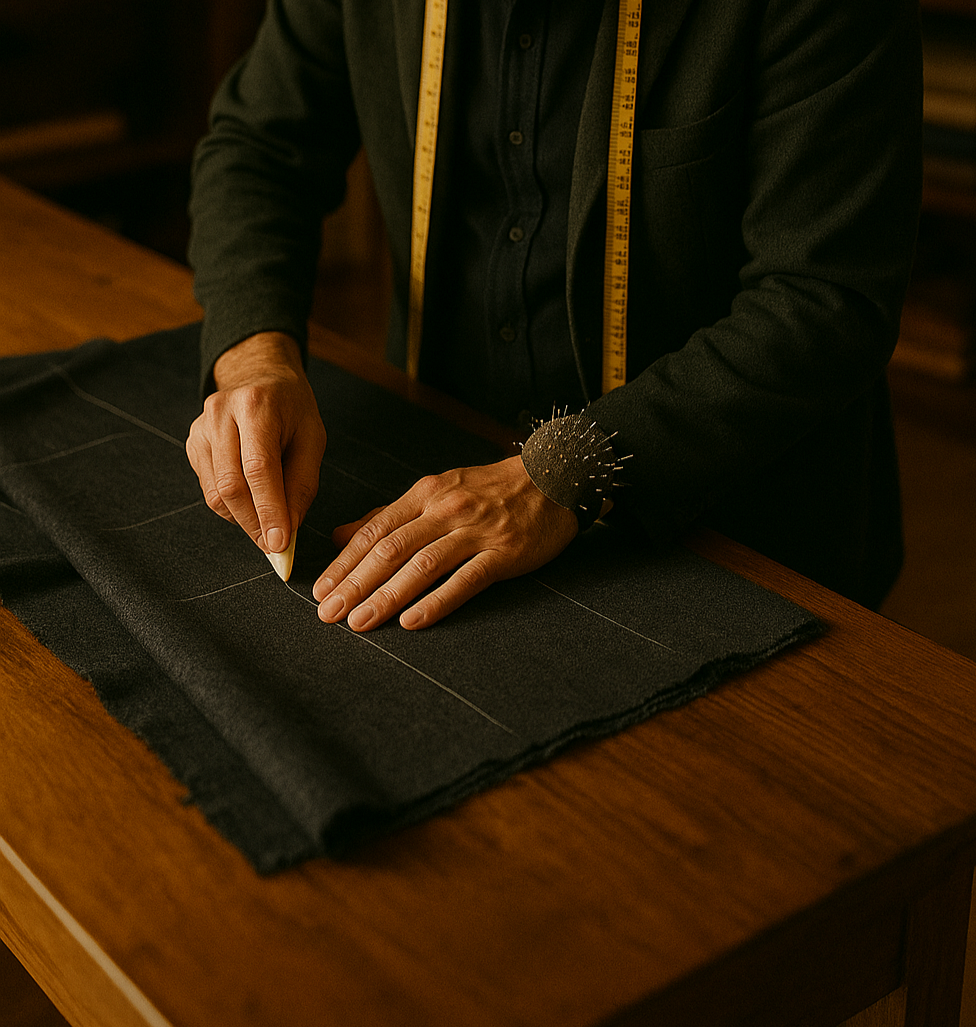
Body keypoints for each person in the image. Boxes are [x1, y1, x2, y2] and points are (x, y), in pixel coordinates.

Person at [186, 0, 922, 635]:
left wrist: (563, 470)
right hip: (446, 467)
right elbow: (259, 148)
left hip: (734, 526)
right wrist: (257, 355)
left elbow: (823, 297)